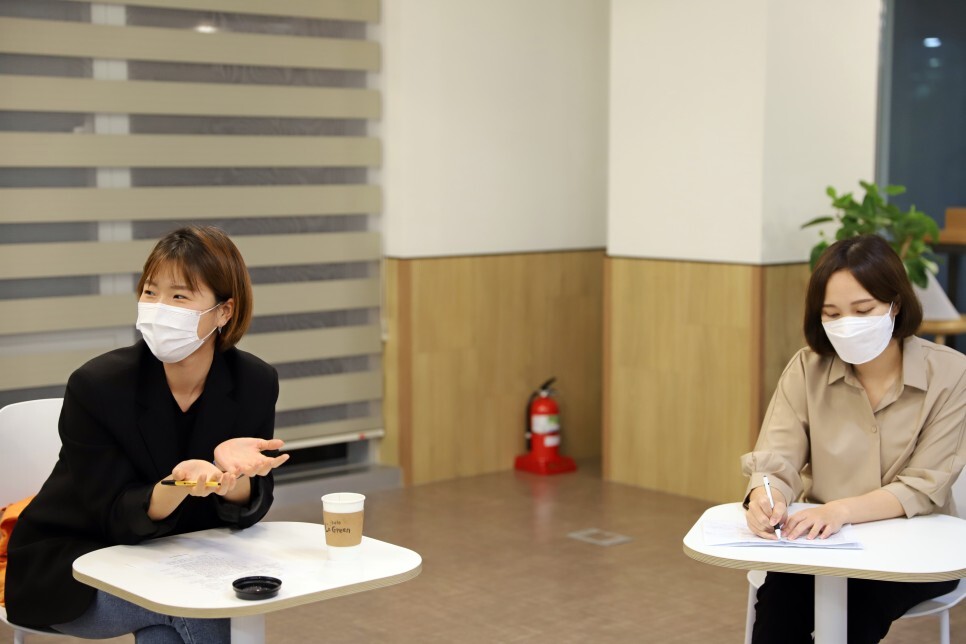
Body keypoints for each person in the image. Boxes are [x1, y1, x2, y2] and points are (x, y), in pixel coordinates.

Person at [5, 226, 290, 643]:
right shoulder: (97, 386)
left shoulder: (254, 382)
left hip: (173, 559)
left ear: (224, 311)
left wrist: (235, 476)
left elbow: (248, 509)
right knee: (195, 604)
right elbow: (113, 517)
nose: (158, 309)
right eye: (150, 292)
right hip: (74, 564)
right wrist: (178, 484)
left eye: (179, 297)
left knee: (178, 616)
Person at [742, 234, 965, 644]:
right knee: (778, 606)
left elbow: (924, 486)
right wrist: (764, 496)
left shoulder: (951, 374)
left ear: (896, 304)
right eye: (832, 313)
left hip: (916, 549)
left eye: (863, 311)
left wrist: (840, 510)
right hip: (822, 545)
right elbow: (776, 457)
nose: (847, 324)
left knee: (854, 610)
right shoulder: (806, 369)